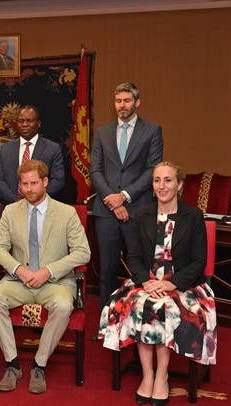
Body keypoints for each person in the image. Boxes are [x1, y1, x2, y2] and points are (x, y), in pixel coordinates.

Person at [98, 161, 217, 406]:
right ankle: (148, 374)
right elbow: (133, 256)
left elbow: (199, 262)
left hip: (183, 283)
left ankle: (162, 374)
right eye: (156, 180)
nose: (161, 186)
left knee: (164, 308)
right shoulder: (142, 215)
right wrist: (146, 281)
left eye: (168, 180)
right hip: (147, 281)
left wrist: (171, 284)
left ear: (179, 185)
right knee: (142, 304)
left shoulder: (193, 216)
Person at [0, 160, 90, 394]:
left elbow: (83, 252)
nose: (29, 189)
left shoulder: (66, 212)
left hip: (55, 282)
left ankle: (39, 365)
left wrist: (48, 271)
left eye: (34, 183)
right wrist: (18, 270)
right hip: (19, 281)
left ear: (45, 182)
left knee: (63, 306)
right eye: (25, 184)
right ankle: (12, 364)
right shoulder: (11, 211)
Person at [90, 82, 163, 320]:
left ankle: (136, 322)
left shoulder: (152, 131)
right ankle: (107, 321)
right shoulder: (102, 132)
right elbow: (95, 171)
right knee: (107, 271)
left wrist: (124, 197)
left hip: (137, 210)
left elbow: (152, 169)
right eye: (118, 101)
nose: (122, 105)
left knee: (140, 270)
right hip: (106, 212)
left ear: (137, 102)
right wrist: (113, 201)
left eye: (127, 100)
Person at [0, 105, 65, 205]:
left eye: (29, 121)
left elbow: (58, 180)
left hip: (42, 208)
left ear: (38, 123)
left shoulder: (52, 149)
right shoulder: (5, 149)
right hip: (12, 208)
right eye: (20, 121)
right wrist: (16, 202)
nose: (24, 124)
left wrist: (36, 200)